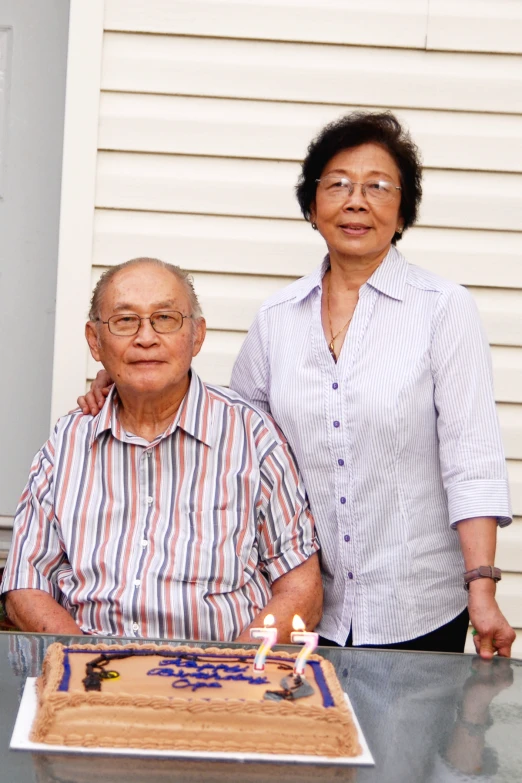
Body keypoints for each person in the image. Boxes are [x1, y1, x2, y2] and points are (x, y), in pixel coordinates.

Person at [79, 113, 515, 658]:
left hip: (416, 607)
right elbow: (232, 429)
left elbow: (471, 459)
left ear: (403, 211)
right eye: (336, 185)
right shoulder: (278, 317)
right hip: (306, 605)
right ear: (312, 207)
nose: (356, 201)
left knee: (411, 746)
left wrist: (482, 588)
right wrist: (127, 377)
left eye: (378, 187)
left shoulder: (444, 310)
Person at [1, 258, 321, 641]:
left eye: (165, 318)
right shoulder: (68, 444)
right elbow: (25, 582)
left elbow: (302, 591)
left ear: (197, 335)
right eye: (124, 321)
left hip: (218, 680)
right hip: (89, 676)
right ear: (94, 340)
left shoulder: (253, 438)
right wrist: (83, 661)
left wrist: (228, 672)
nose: (146, 338)